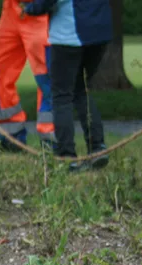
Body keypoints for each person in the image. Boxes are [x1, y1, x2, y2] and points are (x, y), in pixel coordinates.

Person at [21, 0, 113, 170]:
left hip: (70, 33)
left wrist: (31, 8)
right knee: (81, 90)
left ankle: (67, 156)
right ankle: (97, 148)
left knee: (62, 95)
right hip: (100, 32)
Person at [0, 0, 55, 152]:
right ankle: (10, 137)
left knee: (47, 80)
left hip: (40, 12)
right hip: (11, 11)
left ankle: (52, 141)